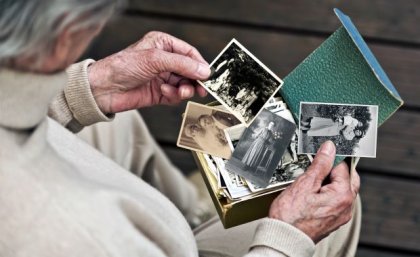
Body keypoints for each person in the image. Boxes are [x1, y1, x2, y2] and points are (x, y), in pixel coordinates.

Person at [0, 1, 361, 257]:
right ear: (67, 31)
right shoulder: (90, 237)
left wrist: (82, 90)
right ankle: (200, 221)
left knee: (116, 122)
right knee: (338, 211)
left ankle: (195, 212)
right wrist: (285, 240)